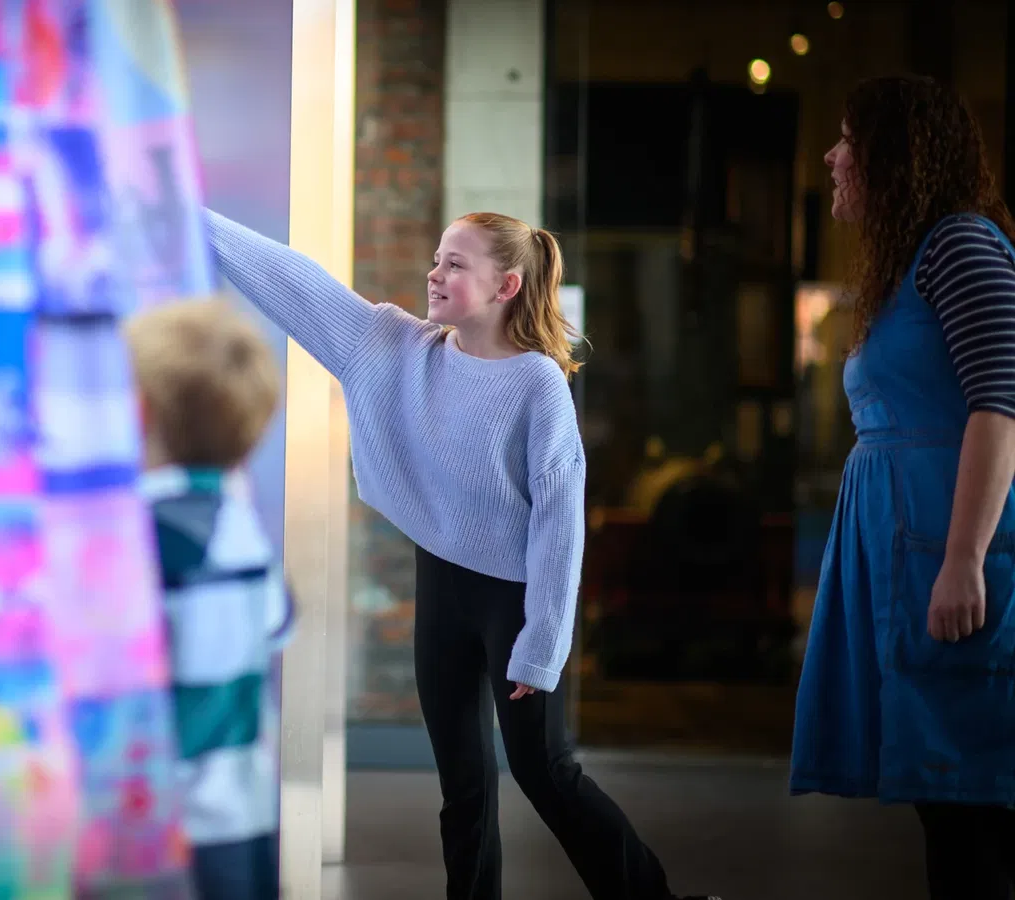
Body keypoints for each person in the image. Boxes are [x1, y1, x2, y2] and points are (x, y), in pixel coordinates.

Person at [203, 210, 716, 900]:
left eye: (455, 265)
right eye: (437, 258)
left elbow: (562, 525)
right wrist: (193, 217)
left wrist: (542, 643)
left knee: (546, 773)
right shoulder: (395, 347)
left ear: (505, 286)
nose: (435, 274)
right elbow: (296, 283)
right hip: (441, 586)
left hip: (517, 601)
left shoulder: (537, 385)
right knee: (463, 786)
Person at [790, 75, 1015, 898]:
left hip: (948, 552)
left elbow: (1002, 401)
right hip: (909, 550)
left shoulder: (961, 243)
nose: (832, 155)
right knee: (945, 803)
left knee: (971, 802)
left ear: (894, 156)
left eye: (848, 138)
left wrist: (964, 558)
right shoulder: (918, 257)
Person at [123, 299, 294, 900]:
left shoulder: (142, 536)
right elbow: (278, 624)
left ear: (136, 411)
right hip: (242, 816)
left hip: (160, 829)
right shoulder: (241, 530)